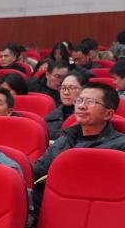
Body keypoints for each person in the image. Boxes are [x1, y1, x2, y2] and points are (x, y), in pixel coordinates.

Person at [33, 83, 125, 211]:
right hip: (51, 206)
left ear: (108, 114)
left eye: (90, 102)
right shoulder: (64, 140)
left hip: (97, 209)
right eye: (79, 100)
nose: (81, 106)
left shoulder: (120, 147)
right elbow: (36, 173)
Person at [45, 71, 87, 140]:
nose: (66, 92)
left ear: (84, 90)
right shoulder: (51, 117)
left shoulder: (89, 117)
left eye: (72, 88)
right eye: (63, 88)